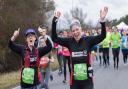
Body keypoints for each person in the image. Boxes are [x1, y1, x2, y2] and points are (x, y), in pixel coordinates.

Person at [52, 7, 108, 89]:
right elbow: (54, 38)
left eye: (77, 29)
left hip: (87, 81)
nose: (75, 32)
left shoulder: (88, 40)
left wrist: (102, 21)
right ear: (71, 32)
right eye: (73, 31)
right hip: (75, 81)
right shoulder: (69, 42)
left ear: (81, 29)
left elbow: (103, 36)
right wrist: (54, 21)